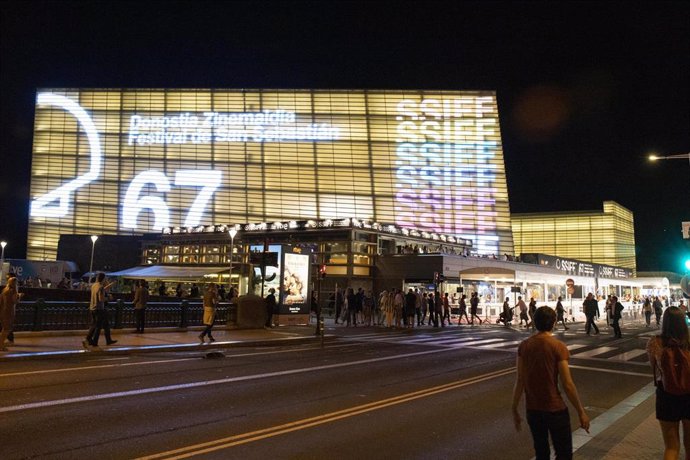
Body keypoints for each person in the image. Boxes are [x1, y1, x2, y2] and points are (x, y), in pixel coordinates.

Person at [512, 306, 590, 460]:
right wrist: (581, 411)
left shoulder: (524, 346)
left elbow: (519, 380)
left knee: (541, 452)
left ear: (534, 322)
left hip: (533, 410)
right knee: (563, 453)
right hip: (555, 410)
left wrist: (514, 409)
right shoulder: (558, 347)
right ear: (554, 322)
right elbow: (567, 383)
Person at [646, 307, 690, 460]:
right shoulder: (689, 340)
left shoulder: (655, 342)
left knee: (671, 447)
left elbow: (655, 367)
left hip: (666, 395)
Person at [84, 272, 117, 348]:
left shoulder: (94, 285)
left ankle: (92, 340)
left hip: (92, 307)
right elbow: (101, 299)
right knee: (97, 326)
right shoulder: (101, 287)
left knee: (95, 325)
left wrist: (110, 285)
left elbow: (101, 291)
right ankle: (90, 340)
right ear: (103, 279)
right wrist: (109, 298)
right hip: (99, 308)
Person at [0, 277, 20, 350]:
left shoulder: (5, 290)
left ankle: (1, 344)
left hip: (3, 312)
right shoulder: (12, 291)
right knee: (6, 329)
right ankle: (0, 345)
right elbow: (15, 301)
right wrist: (19, 296)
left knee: (4, 329)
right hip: (8, 312)